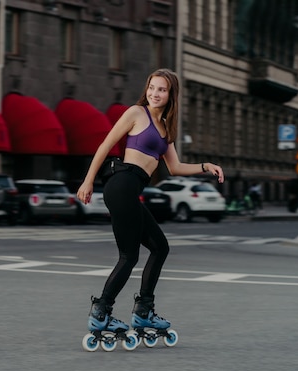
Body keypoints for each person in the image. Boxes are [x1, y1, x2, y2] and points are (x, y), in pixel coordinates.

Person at [76, 68, 225, 340]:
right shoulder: (136, 113)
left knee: (160, 247)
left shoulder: (165, 129)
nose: (155, 94)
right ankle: (102, 312)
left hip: (131, 190)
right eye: (152, 88)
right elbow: (104, 146)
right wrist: (88, 182)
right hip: (121, 185)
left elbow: (176, 167)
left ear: (171, 95)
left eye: (162, 90)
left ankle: (143, 311)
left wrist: (206, 166)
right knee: (129, 256)